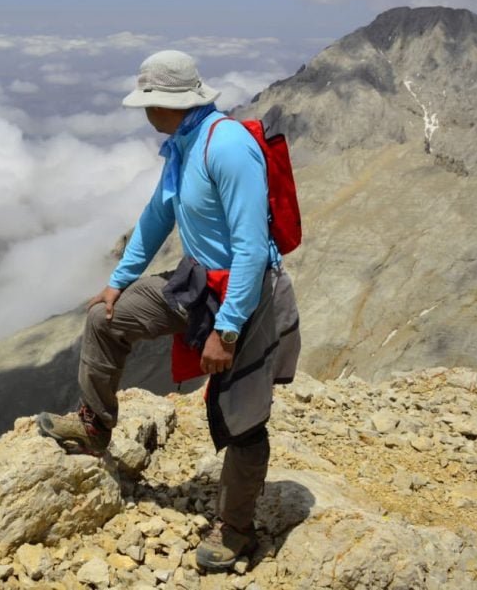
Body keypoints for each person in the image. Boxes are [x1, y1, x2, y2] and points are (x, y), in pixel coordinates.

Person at [37, 50, 301, 572]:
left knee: (242, 420)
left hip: (245, 296)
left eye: (147, 102)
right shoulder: (183, 144)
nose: (141, 112)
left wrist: (225, 332)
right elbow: (158, 214)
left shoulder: (226, 147)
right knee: (104, 321)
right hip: (196, 281)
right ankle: (94, 427)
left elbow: (250, 249)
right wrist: (117, 283)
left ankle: (237, 530)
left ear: (168, 103)